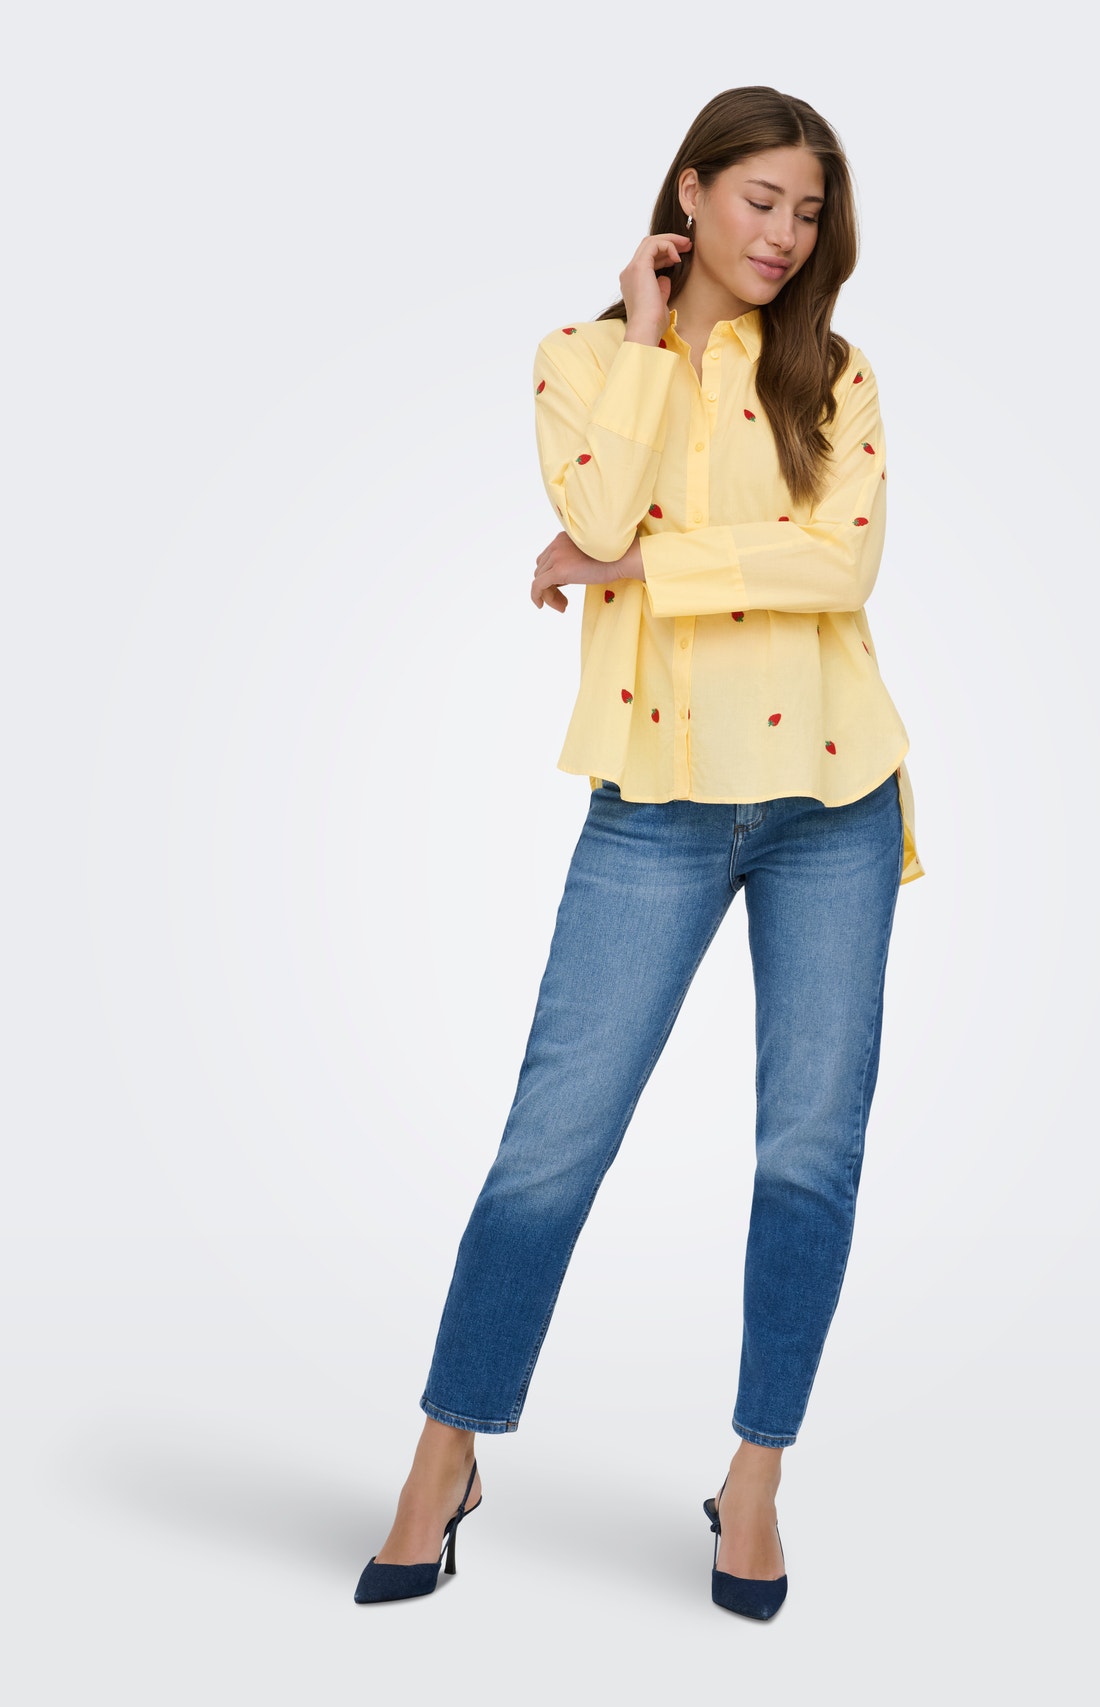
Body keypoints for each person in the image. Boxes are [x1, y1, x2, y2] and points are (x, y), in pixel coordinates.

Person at [354, 84, 924, 1622]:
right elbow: (593, 499)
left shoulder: (837, 376)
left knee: (809, 1152)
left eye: (808, 213)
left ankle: (757, 1478)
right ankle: (445, 1457)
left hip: (834, 801)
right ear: (690, 192)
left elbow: (842, 564)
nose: (783, 235)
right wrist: (652, 338)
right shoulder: (583, 360)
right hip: (656, 804)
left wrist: (642, 566)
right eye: (759, 201)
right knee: (554, 1141)